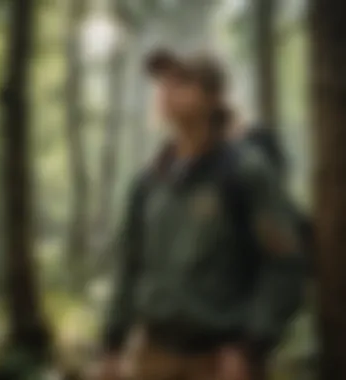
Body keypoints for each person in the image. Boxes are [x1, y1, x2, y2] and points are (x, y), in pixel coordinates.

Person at [97, 48, 304, 380]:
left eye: (181, 82)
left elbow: (283, 265)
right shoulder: (150, 181)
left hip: (221, 359)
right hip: (152, 354)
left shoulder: (244, 172)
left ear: (212, 97)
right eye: (162, 82)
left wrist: (252, 346)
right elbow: (128, 266)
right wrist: (112, 345)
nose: (165, 90)